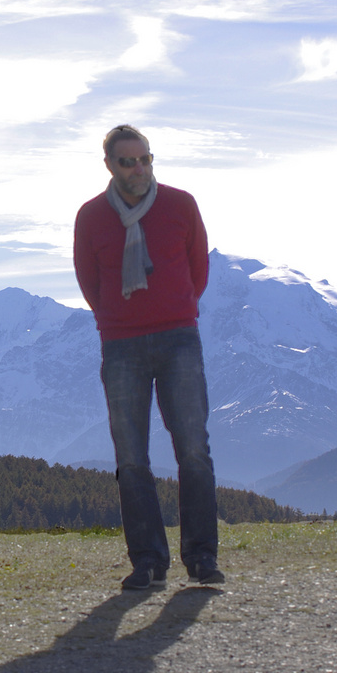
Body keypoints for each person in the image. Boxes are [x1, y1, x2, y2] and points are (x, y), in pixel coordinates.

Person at [73, 124, 222, 590]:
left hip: (179, 338)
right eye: (127, 161)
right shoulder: (92, 216)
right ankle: (148, 563)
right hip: (121, 345)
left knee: (193, 449)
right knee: (132, 456)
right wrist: (117, 318)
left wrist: (176, 309)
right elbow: (88, 280)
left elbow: (198, 269)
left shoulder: (181, 205)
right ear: (109, 166)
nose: (138, 169)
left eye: (145, 159)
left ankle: (201, 558)